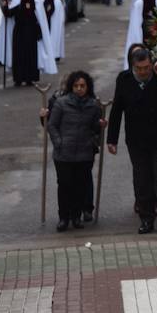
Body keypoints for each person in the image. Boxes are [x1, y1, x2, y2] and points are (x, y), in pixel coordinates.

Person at [106, 48, 157, 236]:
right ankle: (146, 219)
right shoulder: (124, 79)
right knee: (142, 181)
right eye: (139, 68)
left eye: (146, 67)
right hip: (137, 140)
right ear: (133, 66)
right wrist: (112, 139)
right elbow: (117, 110)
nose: (143, 72)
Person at [47, 71, 104, 232]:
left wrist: (100, 127)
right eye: (76, 86)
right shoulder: (61, 103)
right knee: (65, 186)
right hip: (64, 154)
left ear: (87, 87)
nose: (79, 89)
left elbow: (95, 128)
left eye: (83, 86)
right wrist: (59, 143)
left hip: (84, 153)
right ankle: (63, 217)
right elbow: (52, 125)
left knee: (80, 186)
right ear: (71, 87)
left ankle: (76, 216)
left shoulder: (93, 105)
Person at [0, 0, 56, 85]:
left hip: (22, 33)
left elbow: (9, 13)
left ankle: (21, 78)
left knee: (22, 56)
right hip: (28, 33)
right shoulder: (32, 1)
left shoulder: (21, 1)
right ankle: (28, 78)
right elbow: (40, 18)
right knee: (27, 56)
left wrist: (5, 7)